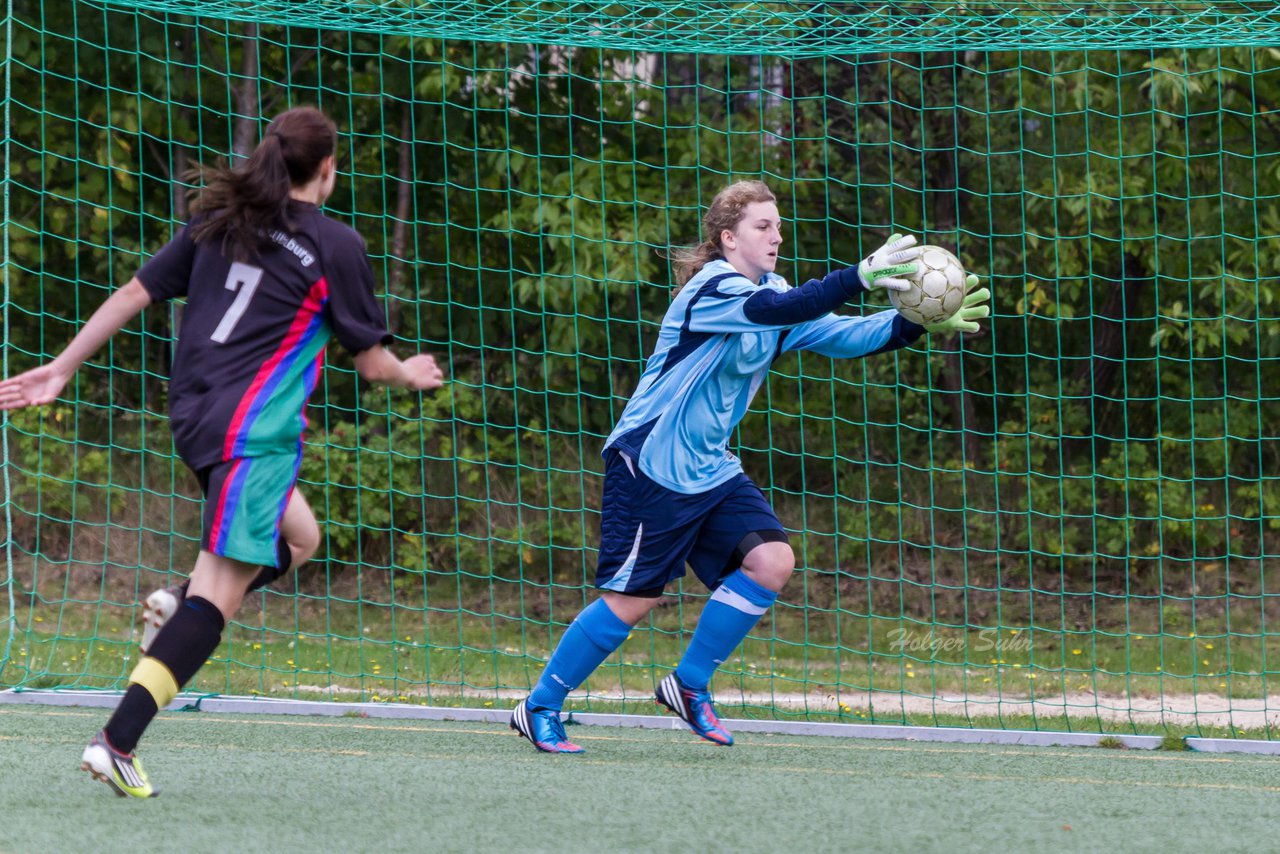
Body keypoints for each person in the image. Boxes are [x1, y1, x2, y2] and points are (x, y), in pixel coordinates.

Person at [0, 106, 445, 796]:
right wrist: (408, 371)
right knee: (219, 600)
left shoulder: (221, 220)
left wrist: (61, 368)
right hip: (252, 435)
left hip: (195, 419)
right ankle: (117, 740)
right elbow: (372, 363)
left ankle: (177, 604)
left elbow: (133, 292)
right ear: (328, 168)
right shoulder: (335, 246)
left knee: (299, 536)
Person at [510, 180, 989, 752]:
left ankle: (688, 687)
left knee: (771, 562)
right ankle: (539, 705)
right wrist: (858, 277)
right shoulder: (714, 288)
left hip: (710, 468)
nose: (776, 236)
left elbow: (836, 333)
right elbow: (779, 309)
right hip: (652, 461)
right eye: (763, 226)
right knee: (633, 600)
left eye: (779, 226)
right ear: (727, 237)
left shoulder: (776, 294)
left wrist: (913, 325)